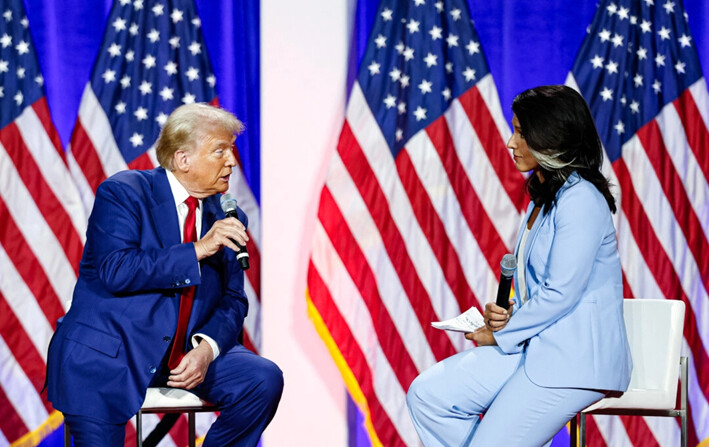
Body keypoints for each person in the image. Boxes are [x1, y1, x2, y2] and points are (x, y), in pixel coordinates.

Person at [406, 85, 632, 446]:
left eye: (522, 133)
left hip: (572, 362)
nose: (511, 142)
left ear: (553, 138)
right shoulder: (543, 198)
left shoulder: (581, 200)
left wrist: (498, 334)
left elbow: (561, 293)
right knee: (427, 396)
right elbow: (545, 288)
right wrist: (512, 315)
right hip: (535, 347)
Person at [47, 103, 283, 446]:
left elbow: (233, 300)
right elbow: (117, 270)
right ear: (183, 159)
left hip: (184, 356)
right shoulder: (124, 193)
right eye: (220, 150)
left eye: (231, 150)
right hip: (110, 353)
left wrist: (207, 349)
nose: (232, 161)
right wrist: (199, 249)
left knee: (261, 380)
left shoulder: (227, 217)